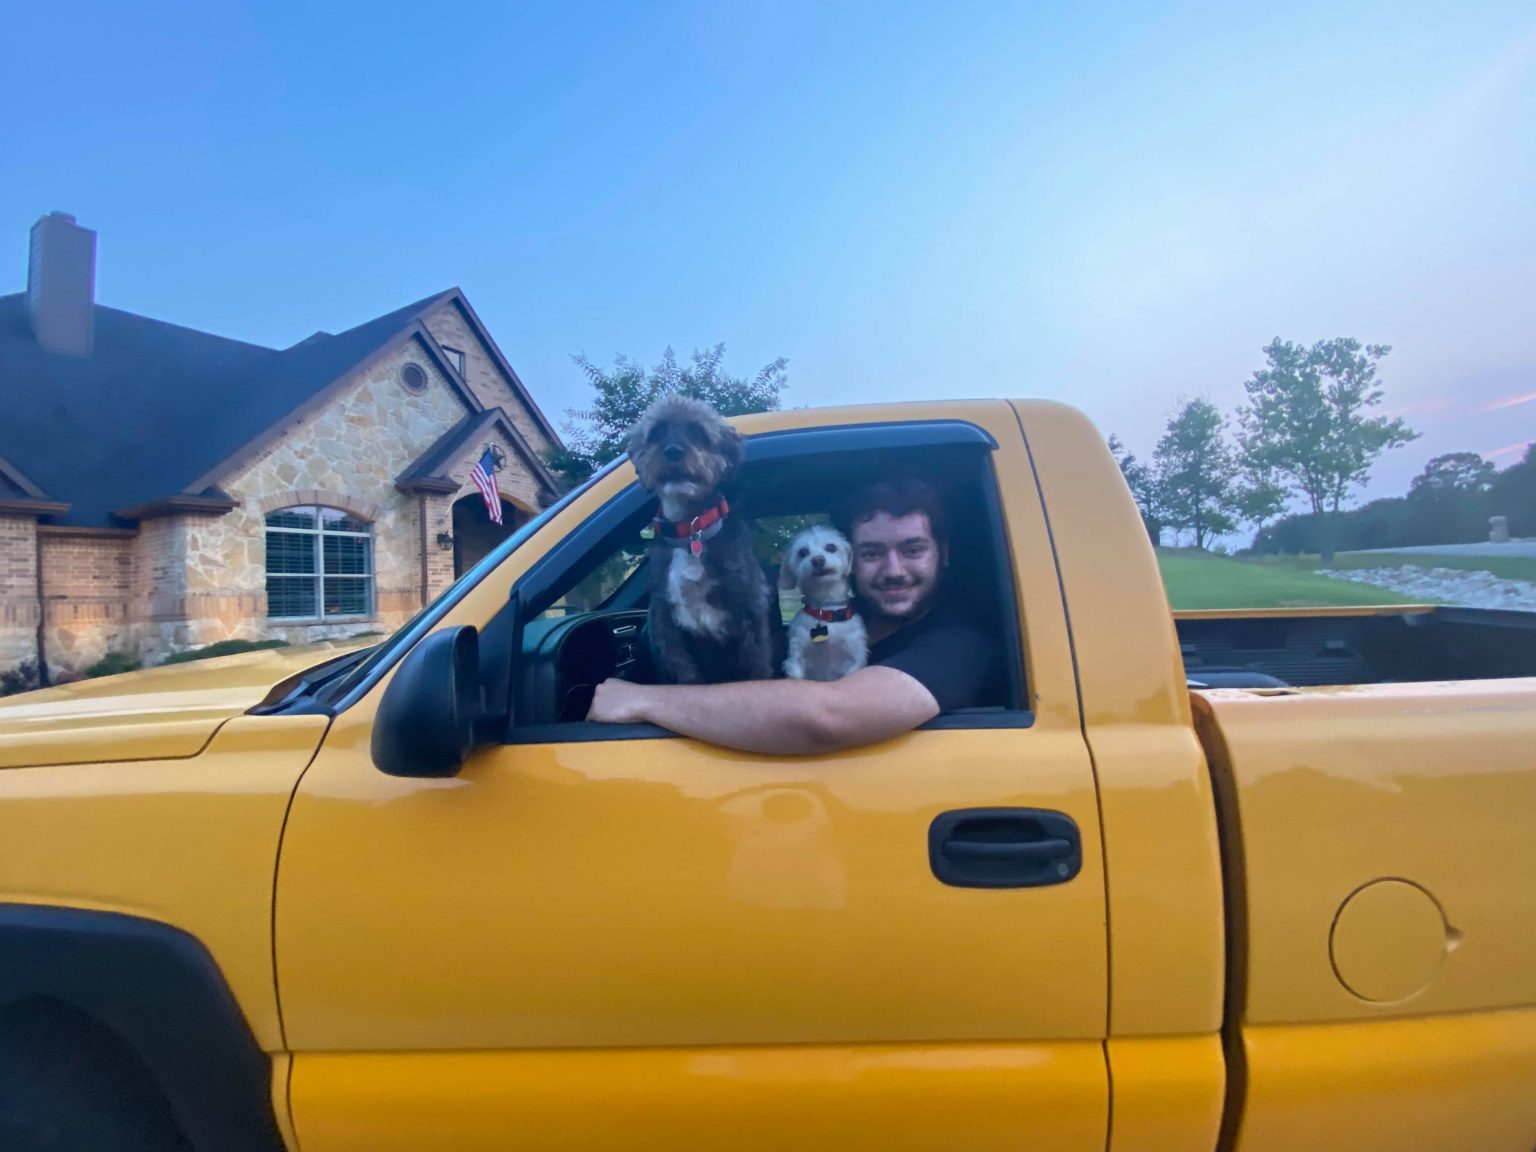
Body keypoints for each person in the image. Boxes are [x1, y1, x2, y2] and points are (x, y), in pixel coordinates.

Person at [586, 476, 1000, 753]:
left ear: (943, 554)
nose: (894, 571)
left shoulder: (959, 643)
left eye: (912, 550)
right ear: (852, 561)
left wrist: (641, 699)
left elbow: (827, 716)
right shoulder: (825, 619)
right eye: (873, 553)